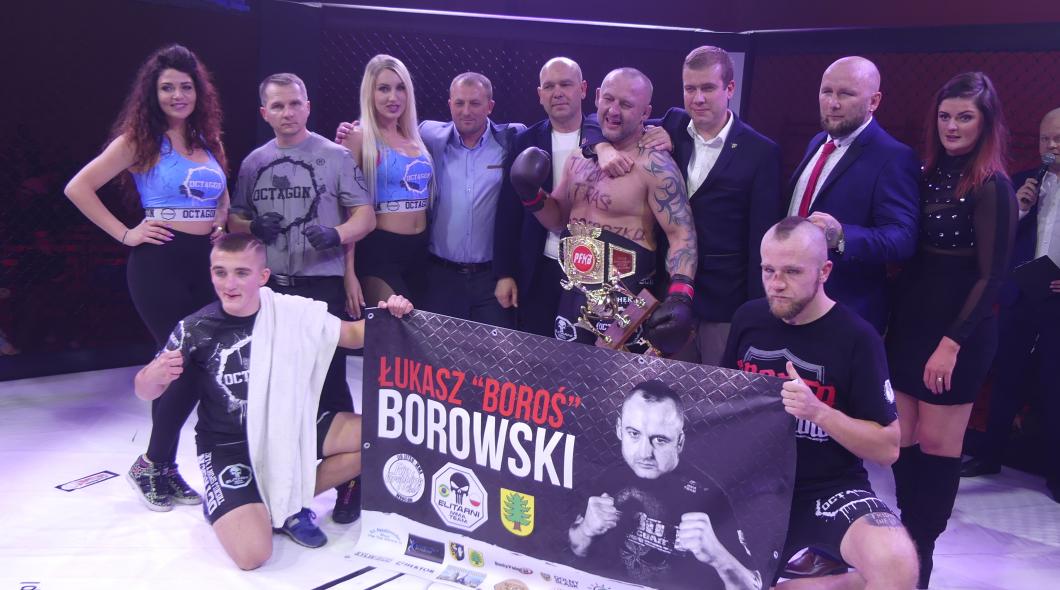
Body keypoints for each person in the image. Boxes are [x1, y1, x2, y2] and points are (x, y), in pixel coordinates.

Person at [133, 232, 413, 570]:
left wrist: (391, 313)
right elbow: (145, 391)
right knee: (253, 555)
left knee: (380, 436)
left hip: (288, 424)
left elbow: (353, 335)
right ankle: (236, 501)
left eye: (241, 273)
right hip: (228, 445)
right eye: (220, 272)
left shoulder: (290, 311)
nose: (229, 284)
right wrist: (152, 375)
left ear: (263, 276)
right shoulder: (196, 328)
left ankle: (287, 504)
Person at [65, 44, 229, 511]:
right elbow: (78, 187)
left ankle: (162, 466)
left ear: (198, 92)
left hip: (204, 264)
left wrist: (219, 219)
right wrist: (125, 233)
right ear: (152, 94)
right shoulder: (139, 140)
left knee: (189, 364)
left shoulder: (208, 140)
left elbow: (221, 193)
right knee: (179, 363)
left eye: (185, 87)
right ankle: (154, 463)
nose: (178, 95)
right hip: (159, 262)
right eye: (167, 88)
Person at [723, 216, 918, 589]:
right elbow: (722, 406)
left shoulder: (857, 338)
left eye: (792, 272)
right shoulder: (748, 318)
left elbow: (888, 448)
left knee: (897, 563)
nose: (777, 284)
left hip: (827, 488)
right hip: (751, 485)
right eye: (768, 270)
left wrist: (819, 412)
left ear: (824, 271)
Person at [886, 72, 1016, 588]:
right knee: (903, 438)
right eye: (945, 116)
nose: (952, 126)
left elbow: (992, 278)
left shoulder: (993, 186)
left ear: (986, 123)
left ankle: (922, 552)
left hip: (957, 331)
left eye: (964, 117)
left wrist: (951, 343)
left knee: (938, 445)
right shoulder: (925, 173)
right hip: (911, 321)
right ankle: (906, 537)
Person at [228, 72, 375, 524]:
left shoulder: (335, 156)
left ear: (308, 106)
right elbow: (235, 219)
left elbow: (366, 216)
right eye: (278, 106)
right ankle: (282, 478)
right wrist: (252, 227)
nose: (287, 113)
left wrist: (336, 233)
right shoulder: (254, 162)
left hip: (320, 286)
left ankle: (351, 479)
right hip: (271, 291)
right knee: (279, 386)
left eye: (294, 104)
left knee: (330, 381)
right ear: (264, 113)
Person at [604, 45, 783, 365]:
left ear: (730, 88)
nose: (698, 98)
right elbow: (610, 121)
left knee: (718, 390)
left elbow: (762, 240)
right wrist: (602, 147)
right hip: (660, 293)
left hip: (723, 304)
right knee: (658, 386)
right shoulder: (671, 123)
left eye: (708, 88)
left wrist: (757, 313)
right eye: (690, 88)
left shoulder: (761, 152)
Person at [510, 67, 698, 355]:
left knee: (616, 381)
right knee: (565, 377)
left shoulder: (655, 166)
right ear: (597, 97)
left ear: (646, 112)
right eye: (608, 99)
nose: (613, 111)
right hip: (573, 294)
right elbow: (558, 219)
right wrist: (531, 196)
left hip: (626, 303)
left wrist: (680, 297)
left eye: (626, 104)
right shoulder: (578, 159)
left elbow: (682, 235)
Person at [567, 380, 760, 590]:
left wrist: (718, 557)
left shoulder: (709, 494)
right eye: (634, 434)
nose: (644, 453)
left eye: (660, 440)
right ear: (619, 430)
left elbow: (753, 586)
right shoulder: (610, 477)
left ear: (679, 442)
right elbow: (576, 548)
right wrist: (586, 530)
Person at [961, 107, 1060, 504]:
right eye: (1045, 139)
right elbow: (996, 242)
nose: (1051, 146)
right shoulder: (1024, 183)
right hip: (1021, 294)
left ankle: (1055, 471)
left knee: (1054, 383)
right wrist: (1018, 209)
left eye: (1059, 139)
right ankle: (990, 455)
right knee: (1005, 376)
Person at [786, 56, 919, 333]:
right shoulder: (817, 142)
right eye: (827, 92)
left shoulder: (893, 157)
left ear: (874, 101)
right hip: (795, 301)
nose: (833, 103)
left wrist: (842, 237)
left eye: (845, 94)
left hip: (845, 311)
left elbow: (903, 238)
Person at [494, 57, 600, 336]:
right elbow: (508, 212)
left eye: (566, 84)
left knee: (587, 352)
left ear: (583, 89)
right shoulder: (525, 141)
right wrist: (505, 273)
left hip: (593, 270)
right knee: (536, 349)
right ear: (540, 94)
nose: (558, 93)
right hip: (541, 265)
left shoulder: (603, 139)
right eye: (550, 86)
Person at [417, 72, 525, 327]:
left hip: (492, 279)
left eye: (475, 103)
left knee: (493, 353)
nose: (466, 111)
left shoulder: (511, 139)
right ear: (449, 104)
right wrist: (355, 131)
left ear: (490, 106)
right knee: (439, 351)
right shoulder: (429, 136)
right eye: (459, 103)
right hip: (440, 277)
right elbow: (388, 131)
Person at [337, 54, 434, 304]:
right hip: (379, 253)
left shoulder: (416, 138)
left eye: (400, 88)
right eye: (383, 88)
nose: (393, 97)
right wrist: (348, 274)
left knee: (416, 326)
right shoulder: (357, 137)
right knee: (395, 323)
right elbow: (345, 211)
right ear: (369, 93)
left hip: (420, 252)